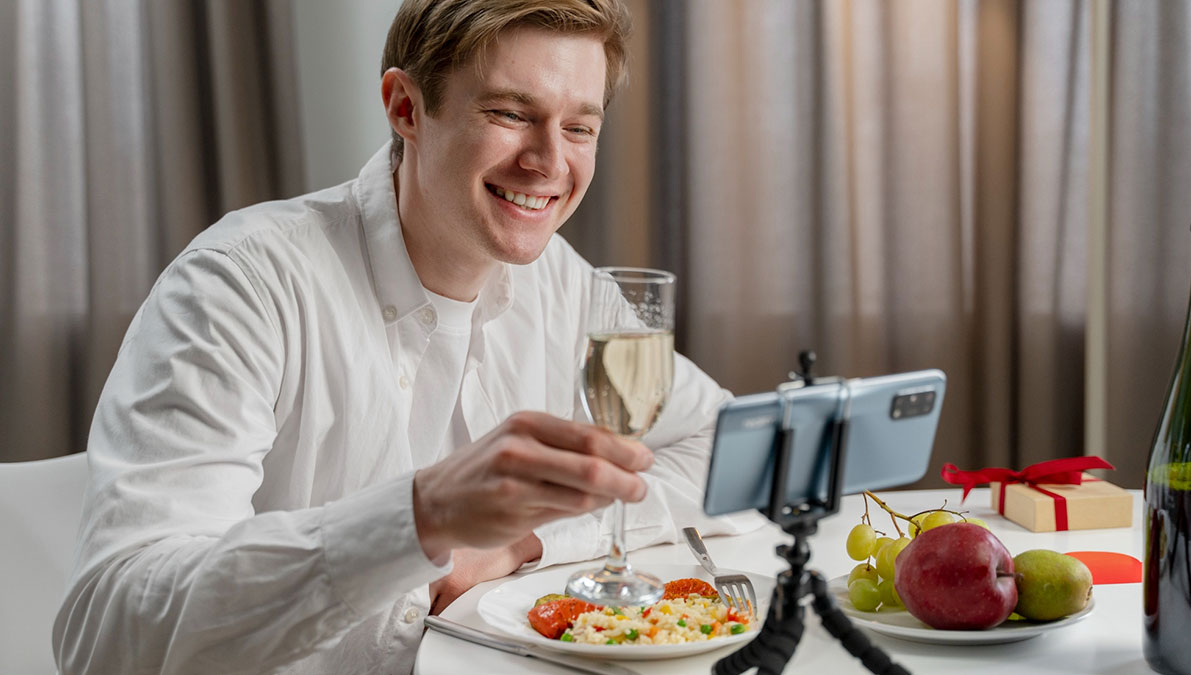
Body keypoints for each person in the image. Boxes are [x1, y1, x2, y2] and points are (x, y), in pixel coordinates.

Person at [52, 1, 759, 673]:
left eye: (579, 127)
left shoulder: (564, 285)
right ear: (405, 107)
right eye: (511, 113)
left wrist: (523, 540)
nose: (549, 162)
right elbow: (109, 637)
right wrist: (421, 518)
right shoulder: (240, 286)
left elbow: (730, 448)